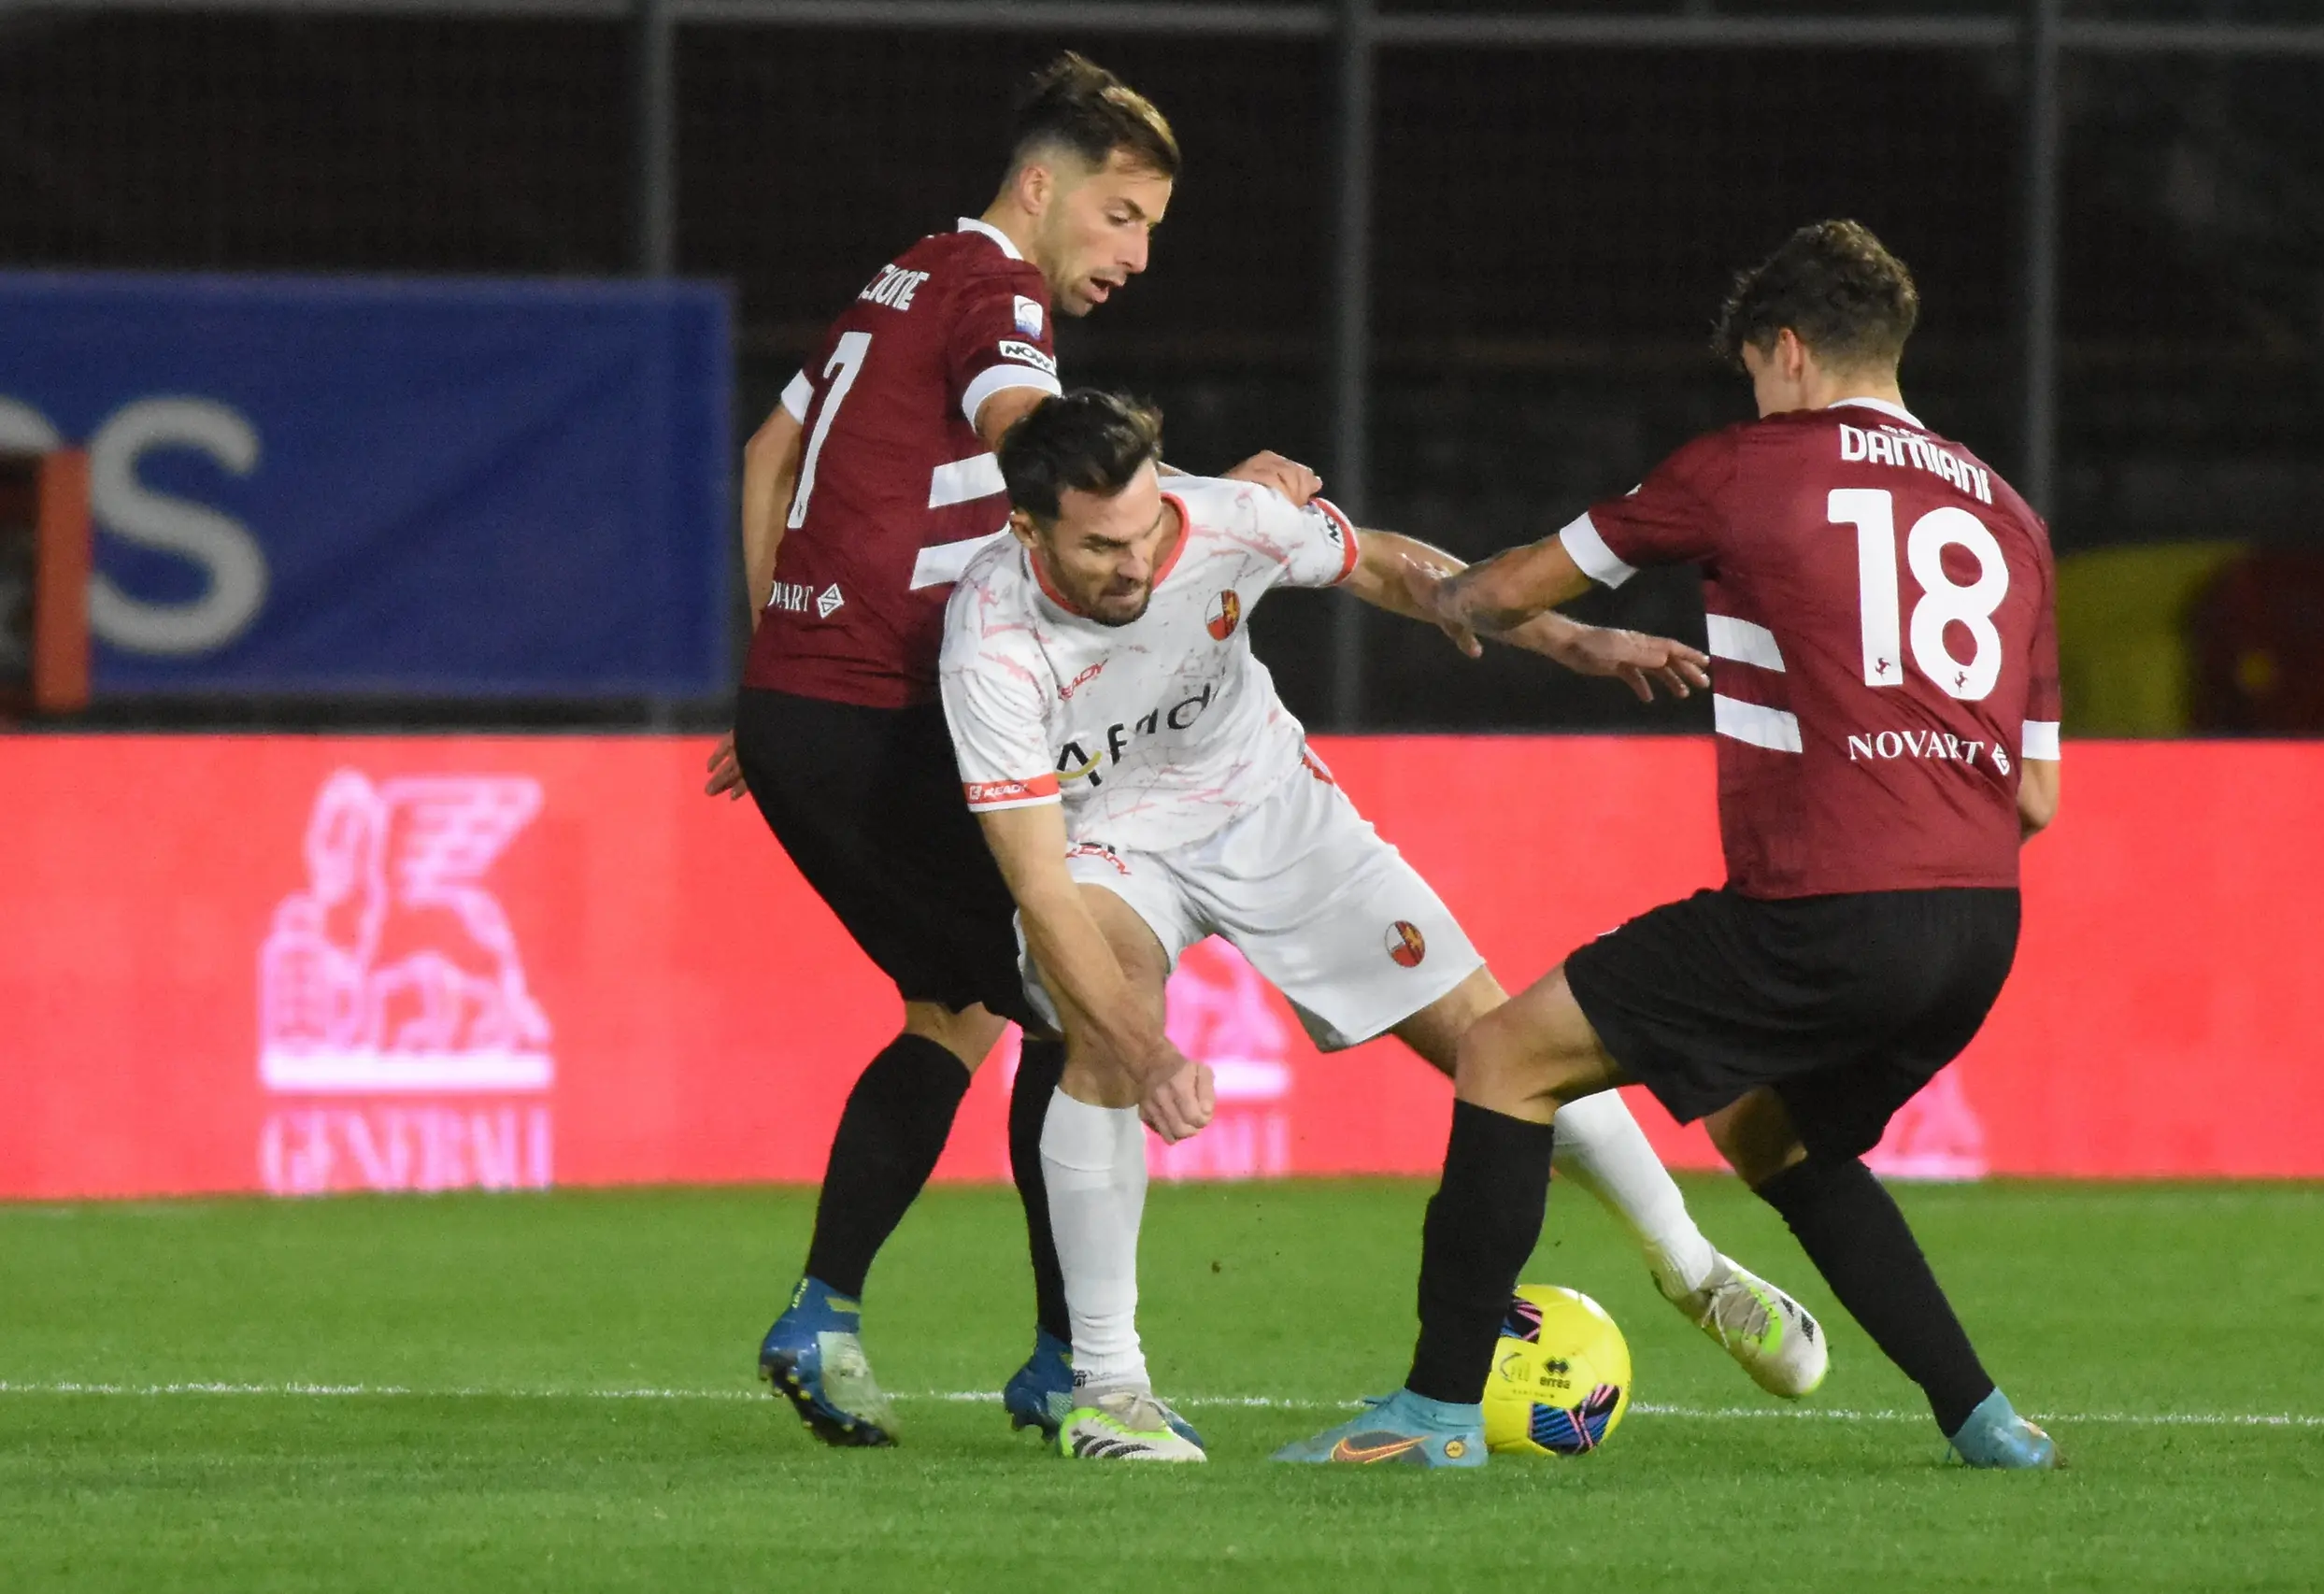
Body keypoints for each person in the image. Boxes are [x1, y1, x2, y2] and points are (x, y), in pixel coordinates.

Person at [1277, 220, 2064, 1469]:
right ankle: (1988, 1420)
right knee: (1774, 1129)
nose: (1755, 395)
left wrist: (1446, 594)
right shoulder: (2009, 512)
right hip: (1978, 922)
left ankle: (1430, 1415)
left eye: (1756, 371)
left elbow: (1512, 586)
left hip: (1824, 903)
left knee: (1504, 1054)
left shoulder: (1748, 466)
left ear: (1789, 351)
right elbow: (2034, 794)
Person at [942, 390, 1831, 1462]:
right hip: (1106, 847)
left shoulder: (1221, 518)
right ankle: (1110, 1390)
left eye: (1145, 530)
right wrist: (1150, 1051)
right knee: (1102, 1028)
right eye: (1101, 548)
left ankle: (1694, 1269)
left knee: (1509, 1041)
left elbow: (1380, 563)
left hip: (1270, 806)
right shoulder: (989, 639)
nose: (1136, 562)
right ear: (1027, 529)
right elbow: (1038, 883)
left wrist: (1564, 638)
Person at [705, 52, 1319, 1448]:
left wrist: (775, 658)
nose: (1137, 253)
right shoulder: (997, 293)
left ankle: (833, 1311)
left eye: (1152, 227)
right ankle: (1065, 1358)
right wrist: (1221, 506)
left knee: (959, 1007)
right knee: (1070, 990)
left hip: (810, 701)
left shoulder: (903, 273)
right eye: (1121, 214)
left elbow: (763, 455)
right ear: (1042, 188)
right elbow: (1033, 437)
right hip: (873, 712)